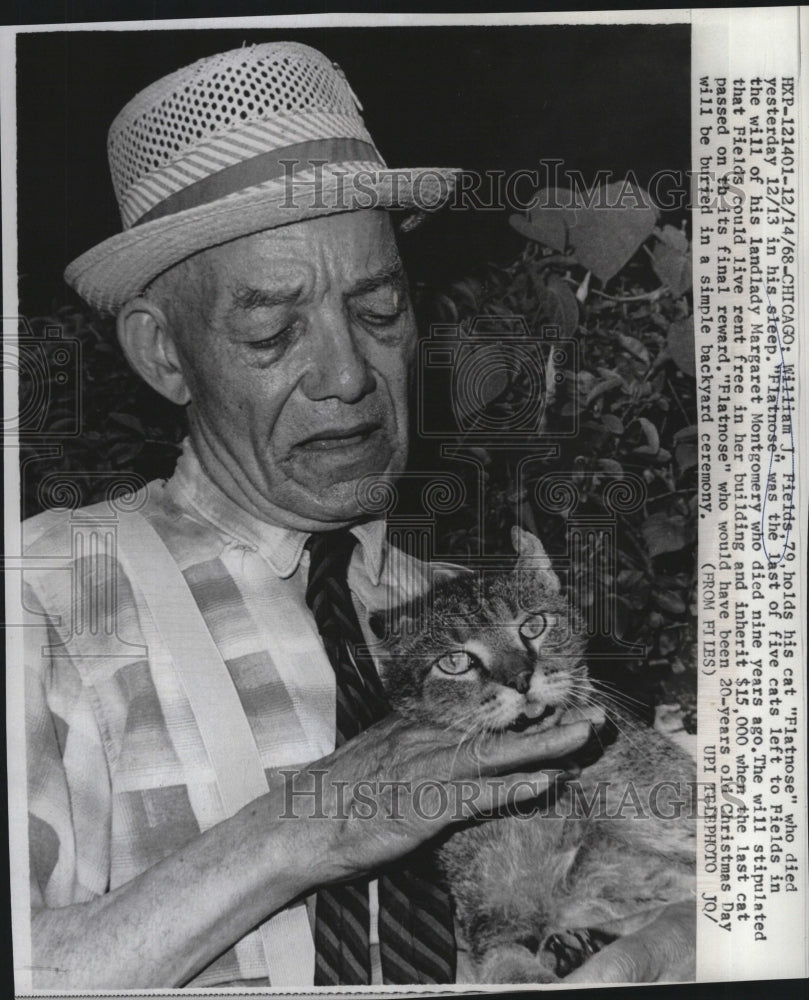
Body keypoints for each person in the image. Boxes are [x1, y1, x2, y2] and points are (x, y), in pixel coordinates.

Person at [21, 40, 695, 989]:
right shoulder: (50, 587)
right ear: (164, 354)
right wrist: (304, 827)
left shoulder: (469, 598)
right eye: (272, 329)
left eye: (378, 310)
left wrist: (682, 946)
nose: (347, 378)